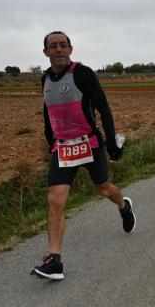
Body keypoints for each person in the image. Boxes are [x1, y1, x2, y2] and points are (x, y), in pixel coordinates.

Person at [31, 31, 135, 280]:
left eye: (63, 45)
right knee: (55, 200)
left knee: (103, 188)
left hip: (89, 144)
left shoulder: (82, 73)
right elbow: (48, 113)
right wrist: (50, 142)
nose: (59, 50)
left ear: (71, 49)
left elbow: (103, 108)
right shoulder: (45, 78)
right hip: (62, 148)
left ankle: (124, 205)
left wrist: (111, 143)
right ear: (45, 52)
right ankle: (54, 261)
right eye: (53, 46)